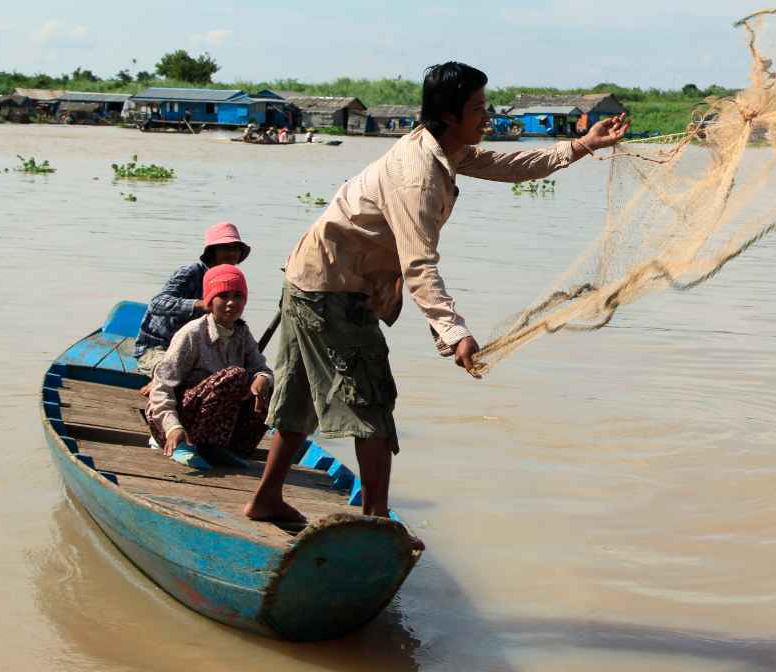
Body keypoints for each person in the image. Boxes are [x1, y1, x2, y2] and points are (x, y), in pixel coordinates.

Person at [244, 61, 628, 528]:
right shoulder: (418, 176)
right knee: (372, 406)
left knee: (301, 398)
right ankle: (375, 524)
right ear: (449, 115)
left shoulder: (444, 147)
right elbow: (418, 264)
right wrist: (453, 330)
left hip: (313, 277)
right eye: (478, 109)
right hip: (333, 290)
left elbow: (507, 165)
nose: (487, 117)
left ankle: (266, 499)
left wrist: (582, 146)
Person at [146, 265, 273, 468]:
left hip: (218, 428)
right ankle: (188, 446)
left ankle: (226, 449)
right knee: (234, 376)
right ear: (209, 301)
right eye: (223, 296)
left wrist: (262, 378)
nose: (231, 303)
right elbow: (161, 388)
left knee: (271, 387)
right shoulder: (193, 333)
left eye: (238, 296)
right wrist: (172, 427)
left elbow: (262, 368)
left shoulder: (242, 333)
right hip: (181, 424)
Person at [134, 222, 251, 382]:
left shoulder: (232, 280)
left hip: (195, 349)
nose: (231, 253)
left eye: (235, 248)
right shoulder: (192, 272)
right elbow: (157, 303)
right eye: (225, 248)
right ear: (212, 252)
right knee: (169, 374)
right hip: (159, 347)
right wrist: (200, 304)